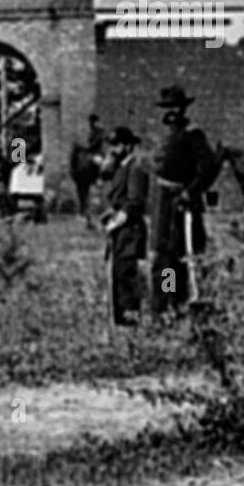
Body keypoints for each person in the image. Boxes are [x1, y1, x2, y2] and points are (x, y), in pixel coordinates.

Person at [147, 85, 219, 320]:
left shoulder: (193, 134)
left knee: (182, 255)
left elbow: (208, 168)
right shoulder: (166, 134)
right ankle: (163, 304)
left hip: (183, 205)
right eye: (168, 108)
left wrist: (191, 192)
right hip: (163, 203)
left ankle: (182, 302)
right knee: (162, 254)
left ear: (184, 109)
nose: (172, 112)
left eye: (176, 107)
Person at [99, 126, 149, 326]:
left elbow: (134, 203)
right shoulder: (120, 169)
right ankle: (120, 322)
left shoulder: (135, 168)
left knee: (128, 279)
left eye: (118, 145)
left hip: (130, 231)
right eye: (112, 144)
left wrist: (115, 222)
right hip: (119, 232)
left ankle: (131, 321)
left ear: (128, 146)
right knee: (118, 278)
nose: (113, 149)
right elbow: (118, 199)